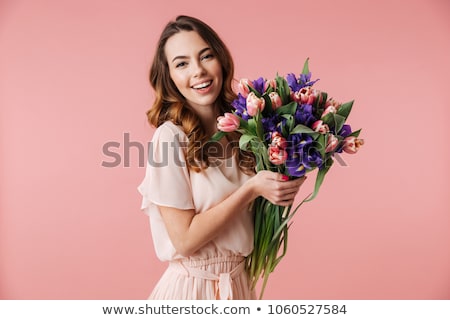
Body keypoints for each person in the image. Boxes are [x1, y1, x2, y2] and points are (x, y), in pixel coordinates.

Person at [137, 15, 306, 300]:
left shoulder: (246, 129)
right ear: (169, 76)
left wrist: (284, 179)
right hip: (192, 291)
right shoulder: (170, 138)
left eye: (206, 56)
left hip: (239, 284)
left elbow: (258, 213)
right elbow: (185, 240)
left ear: (222, 61)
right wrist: (251, 189)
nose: (199, 71)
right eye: (182, 63)